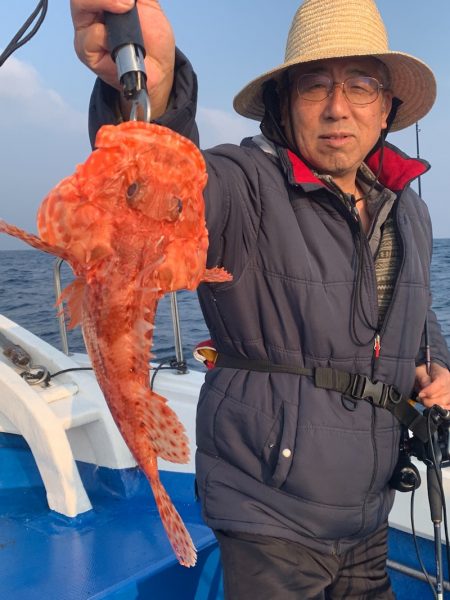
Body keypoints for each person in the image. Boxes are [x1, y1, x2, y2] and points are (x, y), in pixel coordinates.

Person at [70, 0, 450, 597]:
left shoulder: (411, 212)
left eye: (361, 85)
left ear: (387, 110)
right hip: (268, 515)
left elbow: (416, 312)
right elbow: (168, 184)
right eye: (313, 86)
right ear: (282, 103)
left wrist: (438, 367)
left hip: (370, 516)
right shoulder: (246, 182)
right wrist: (155, 85)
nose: (337, 107)